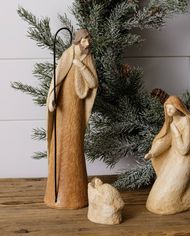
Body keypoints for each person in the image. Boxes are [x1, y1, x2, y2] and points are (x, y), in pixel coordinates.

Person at [44, 29, 98, 209]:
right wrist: (52, 97)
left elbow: (93, 84)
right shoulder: (68, 55)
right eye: (84, 40)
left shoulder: (87, 58)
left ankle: (76, 195)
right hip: (62, 109)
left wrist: (81, 66)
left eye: (88, 39)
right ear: (77, 41)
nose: (87, 43)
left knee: (74, 146)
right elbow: (57, 78)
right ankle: (56, 194)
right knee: (60, 145)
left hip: (75, 110)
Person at [144, 96, 190, 215]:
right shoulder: (172, 123)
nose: (168, 111)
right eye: (166, 109)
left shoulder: (186, 122)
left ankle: (184, 200)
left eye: (171, 108)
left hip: (184, 163)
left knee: (162, 201)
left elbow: (184, 149)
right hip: (173, 162)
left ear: (178, 107)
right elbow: (166, 141)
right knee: (154, 199)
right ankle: (187, 196)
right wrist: (152, 152)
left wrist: (176, 133)